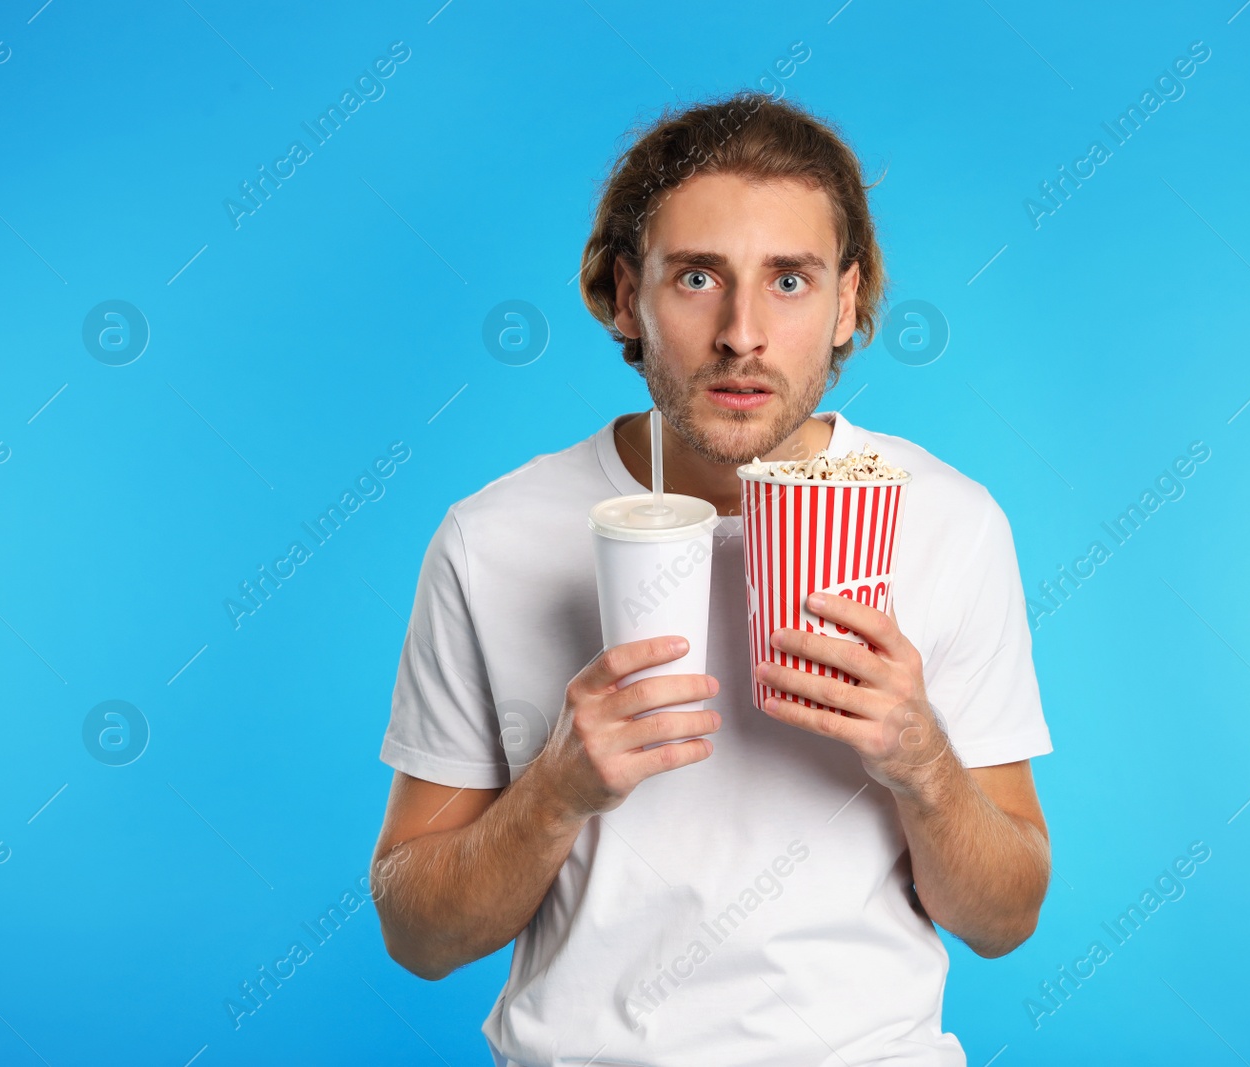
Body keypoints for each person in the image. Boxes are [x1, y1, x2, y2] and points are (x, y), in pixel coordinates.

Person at [370, 89, 1053, 1066]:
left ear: (847, 299)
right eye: (696, 277)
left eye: (789, 280)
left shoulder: (950, 523)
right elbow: (417, 933)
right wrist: (556, 789)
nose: (742, 333)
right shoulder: (492, 540)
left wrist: (922, 760)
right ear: (622, 295)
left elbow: (1005, 917)